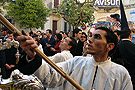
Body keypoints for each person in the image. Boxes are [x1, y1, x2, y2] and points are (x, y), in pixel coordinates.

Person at [17, 27, 133, 90]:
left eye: (97, 37)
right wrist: (33, 56)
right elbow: (50, 77)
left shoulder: (120, 73)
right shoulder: (76, 62)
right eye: (91, 36)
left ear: (110, 46)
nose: (90, 40)